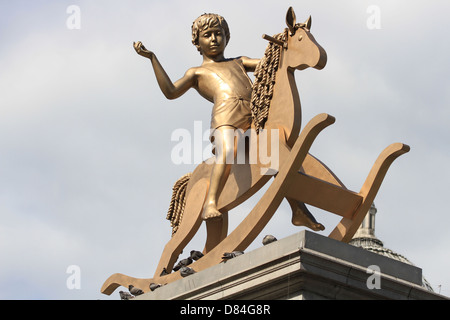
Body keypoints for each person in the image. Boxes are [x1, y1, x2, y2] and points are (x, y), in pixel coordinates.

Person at [133, 13, 260, 220]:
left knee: (280, 150)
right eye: (207, 35)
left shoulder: (240, 61)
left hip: (253, 116)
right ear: (197, 42)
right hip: (226, 118)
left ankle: (297, 207)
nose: (213, 39)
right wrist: (152, 58)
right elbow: (171, 92)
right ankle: (210, 202)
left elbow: (270, 62)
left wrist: (286, 42)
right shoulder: (196, 73)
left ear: (226, 37)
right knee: (228, 151)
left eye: (218, 34)